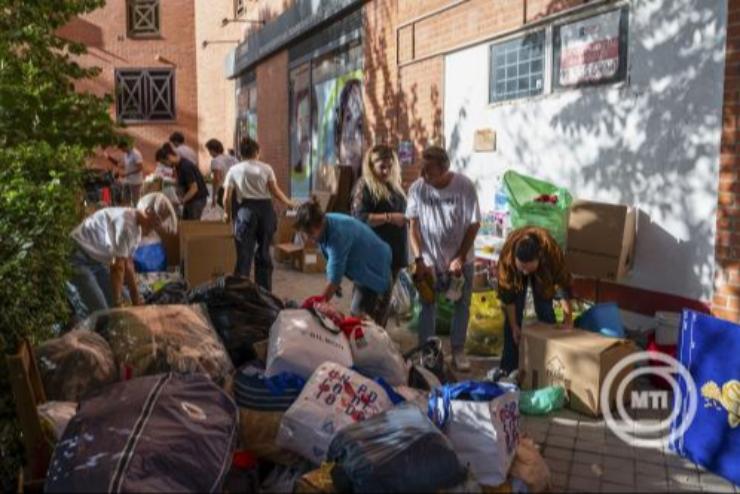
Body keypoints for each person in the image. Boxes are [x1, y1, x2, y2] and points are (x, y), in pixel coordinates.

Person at [407, 146, 481, 371]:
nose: (423, 175)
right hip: (429, 261)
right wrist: (419, 259)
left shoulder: (464, 186)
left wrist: (459, 257)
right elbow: (413, 226)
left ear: (444, 168)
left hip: (460, 260)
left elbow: (474, 223)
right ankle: (428, 352)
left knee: (462, 305)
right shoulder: (418, 189)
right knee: (427, 304)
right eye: (422, 169)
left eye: (428, 170)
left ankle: (457, 350)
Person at [68, 193, 177, 318]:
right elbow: (117, 268)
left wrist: (135, 298)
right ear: (148, 211)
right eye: (157, 221)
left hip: (96, 259)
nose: (156, 227)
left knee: (125, 303)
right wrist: (117, 302)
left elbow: (128, 264)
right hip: (78, 257)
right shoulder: (127, 224)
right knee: (101, 312)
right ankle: (89, 333)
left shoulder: (136, 227)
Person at [294, 199, 392, 324]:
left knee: (369, 326)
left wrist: (316, 307)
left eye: (310, 234)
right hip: (364, 267)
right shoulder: (324, 224)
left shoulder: (337, 234)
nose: (308, 238)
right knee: (357, 314)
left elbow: (334, 279)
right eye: (305, 233)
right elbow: (333, 263)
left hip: (378, 271)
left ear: (321, 222)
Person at [497, 226, 575, 373]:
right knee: (512, 325)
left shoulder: (551, 252)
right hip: (515, 275)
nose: (526, 272)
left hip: (543, 272)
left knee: (545, 308)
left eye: (529, 269)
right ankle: (509, 368)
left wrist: (568, 319)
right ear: (515, 259)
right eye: (523, 269)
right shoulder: (507, 259)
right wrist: (514, 326)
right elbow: (508, 297)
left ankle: (549, 362)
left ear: (539, 258)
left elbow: (562, 284)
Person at [223, 137, 294, 291]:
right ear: (257, 152)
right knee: (264, 251)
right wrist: (288, 203)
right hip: (266, 211)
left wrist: (227, 214)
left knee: (244, 254)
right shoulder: (266, 168)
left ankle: (242, 292)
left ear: (241, 153)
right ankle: (264, 291)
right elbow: (274, 191)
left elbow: (226, 197)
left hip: (245, 211)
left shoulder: (233, 170)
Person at [351, 144, 407, 326]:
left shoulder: (393, 186)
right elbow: (360, 218)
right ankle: (357, 343)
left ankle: (377, 345)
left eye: (390, 166)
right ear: (371, 165)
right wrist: (389, 217)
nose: (386, 171)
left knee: (383, 305)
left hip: (394, 254)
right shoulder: (364, 186)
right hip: (372, 255)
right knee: (364, 305)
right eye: (382, 167)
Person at [160, 143, 208, 220]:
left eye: (164, 162)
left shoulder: (185, 167)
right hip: (190, 199)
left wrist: (181, 200)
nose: (165, 165)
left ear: (169, 157)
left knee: (192, 225)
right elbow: (181, 182)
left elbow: (194, 188)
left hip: (197, 199)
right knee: (186, 222)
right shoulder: (178, 165)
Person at [106, 137, 143, 206]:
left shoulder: (136, 154)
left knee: (135, 201)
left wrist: (127, 174)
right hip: (127, 181)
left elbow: (140, 168)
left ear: (126, 146)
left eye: (122, 148)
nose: (122, 151)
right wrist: (111, 159)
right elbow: (124, 166)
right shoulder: (126, 154)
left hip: (135, 182)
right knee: (125, 198)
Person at [206, 138, 238, 208]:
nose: (209, 153)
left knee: (225, 212)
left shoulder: (215, 161)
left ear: (212, 150)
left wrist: (214, 196)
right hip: (235, 189)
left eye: (209, 151)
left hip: (223, 190)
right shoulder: (233, 159)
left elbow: (217, 179)